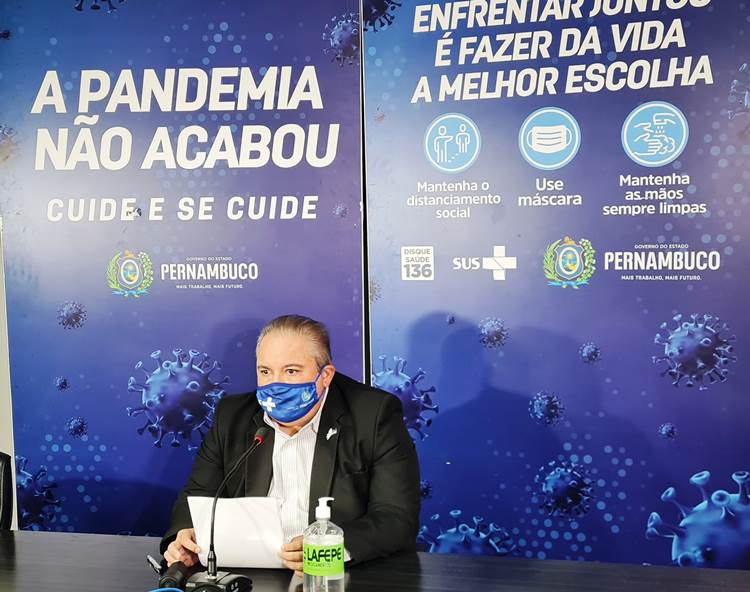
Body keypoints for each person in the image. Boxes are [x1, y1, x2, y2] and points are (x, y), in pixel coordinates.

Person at [160, 315, 421, 577]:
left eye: (291, 371)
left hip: (335, 577)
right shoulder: (232, 416)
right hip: (251, 574)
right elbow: (198, 494)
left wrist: (331, 550)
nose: (276, 384)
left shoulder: (373, 414)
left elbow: (395, 516)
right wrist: (185, 535)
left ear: (325, 375)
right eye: (265, 371)